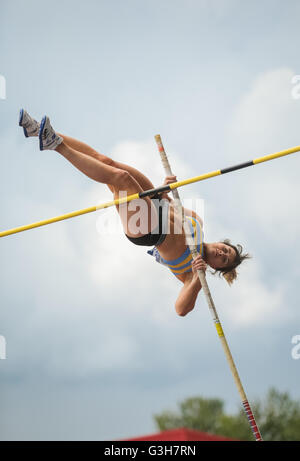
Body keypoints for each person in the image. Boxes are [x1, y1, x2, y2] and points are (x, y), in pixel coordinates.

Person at [19, 109, 250, 316]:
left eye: (224, 259)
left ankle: (55, 143)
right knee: (108, 162)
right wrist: (165, 188)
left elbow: (180, 309)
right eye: (226, 250)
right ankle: (37, 131)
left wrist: (194, 282)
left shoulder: (195, 275)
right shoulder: (197, 220)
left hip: (148, 230)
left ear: (218, 268)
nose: (222, 253)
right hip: (155, 204)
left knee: (122, 179)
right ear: (223, 242)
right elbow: (167, 203)